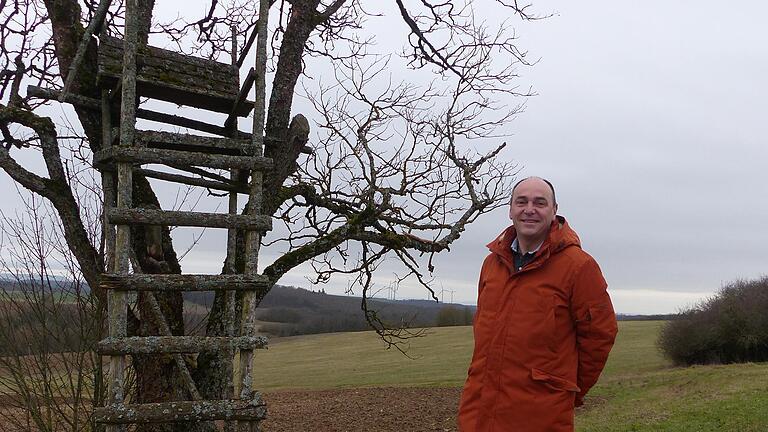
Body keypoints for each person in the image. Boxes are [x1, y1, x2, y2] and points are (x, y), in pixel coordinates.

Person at [458, 176, 618, 432]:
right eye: (521, 202)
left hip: (540, 416)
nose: (529, 209)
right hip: (479, 413)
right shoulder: (492, 264)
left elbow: (600, 336)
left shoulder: (579, 266)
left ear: (554, 211)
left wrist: (565, 391)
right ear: (510, 210)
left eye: (540, 203)